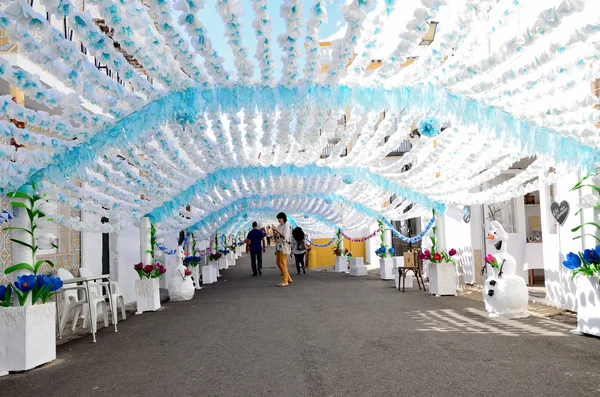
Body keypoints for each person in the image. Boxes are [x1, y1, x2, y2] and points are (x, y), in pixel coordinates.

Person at [272, 212, 292, 287]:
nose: (278, 220)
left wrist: (277, 230)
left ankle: (285, 280)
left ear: (283, 218)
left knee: (282, 263)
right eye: (278, 219)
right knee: (278, 263)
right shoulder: (279, 226)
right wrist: (274, 231)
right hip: (278, 247)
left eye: (279, 219)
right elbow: (276, 237)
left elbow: (285, 236)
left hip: (284, 247)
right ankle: (288, 278)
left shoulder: (286, 225)